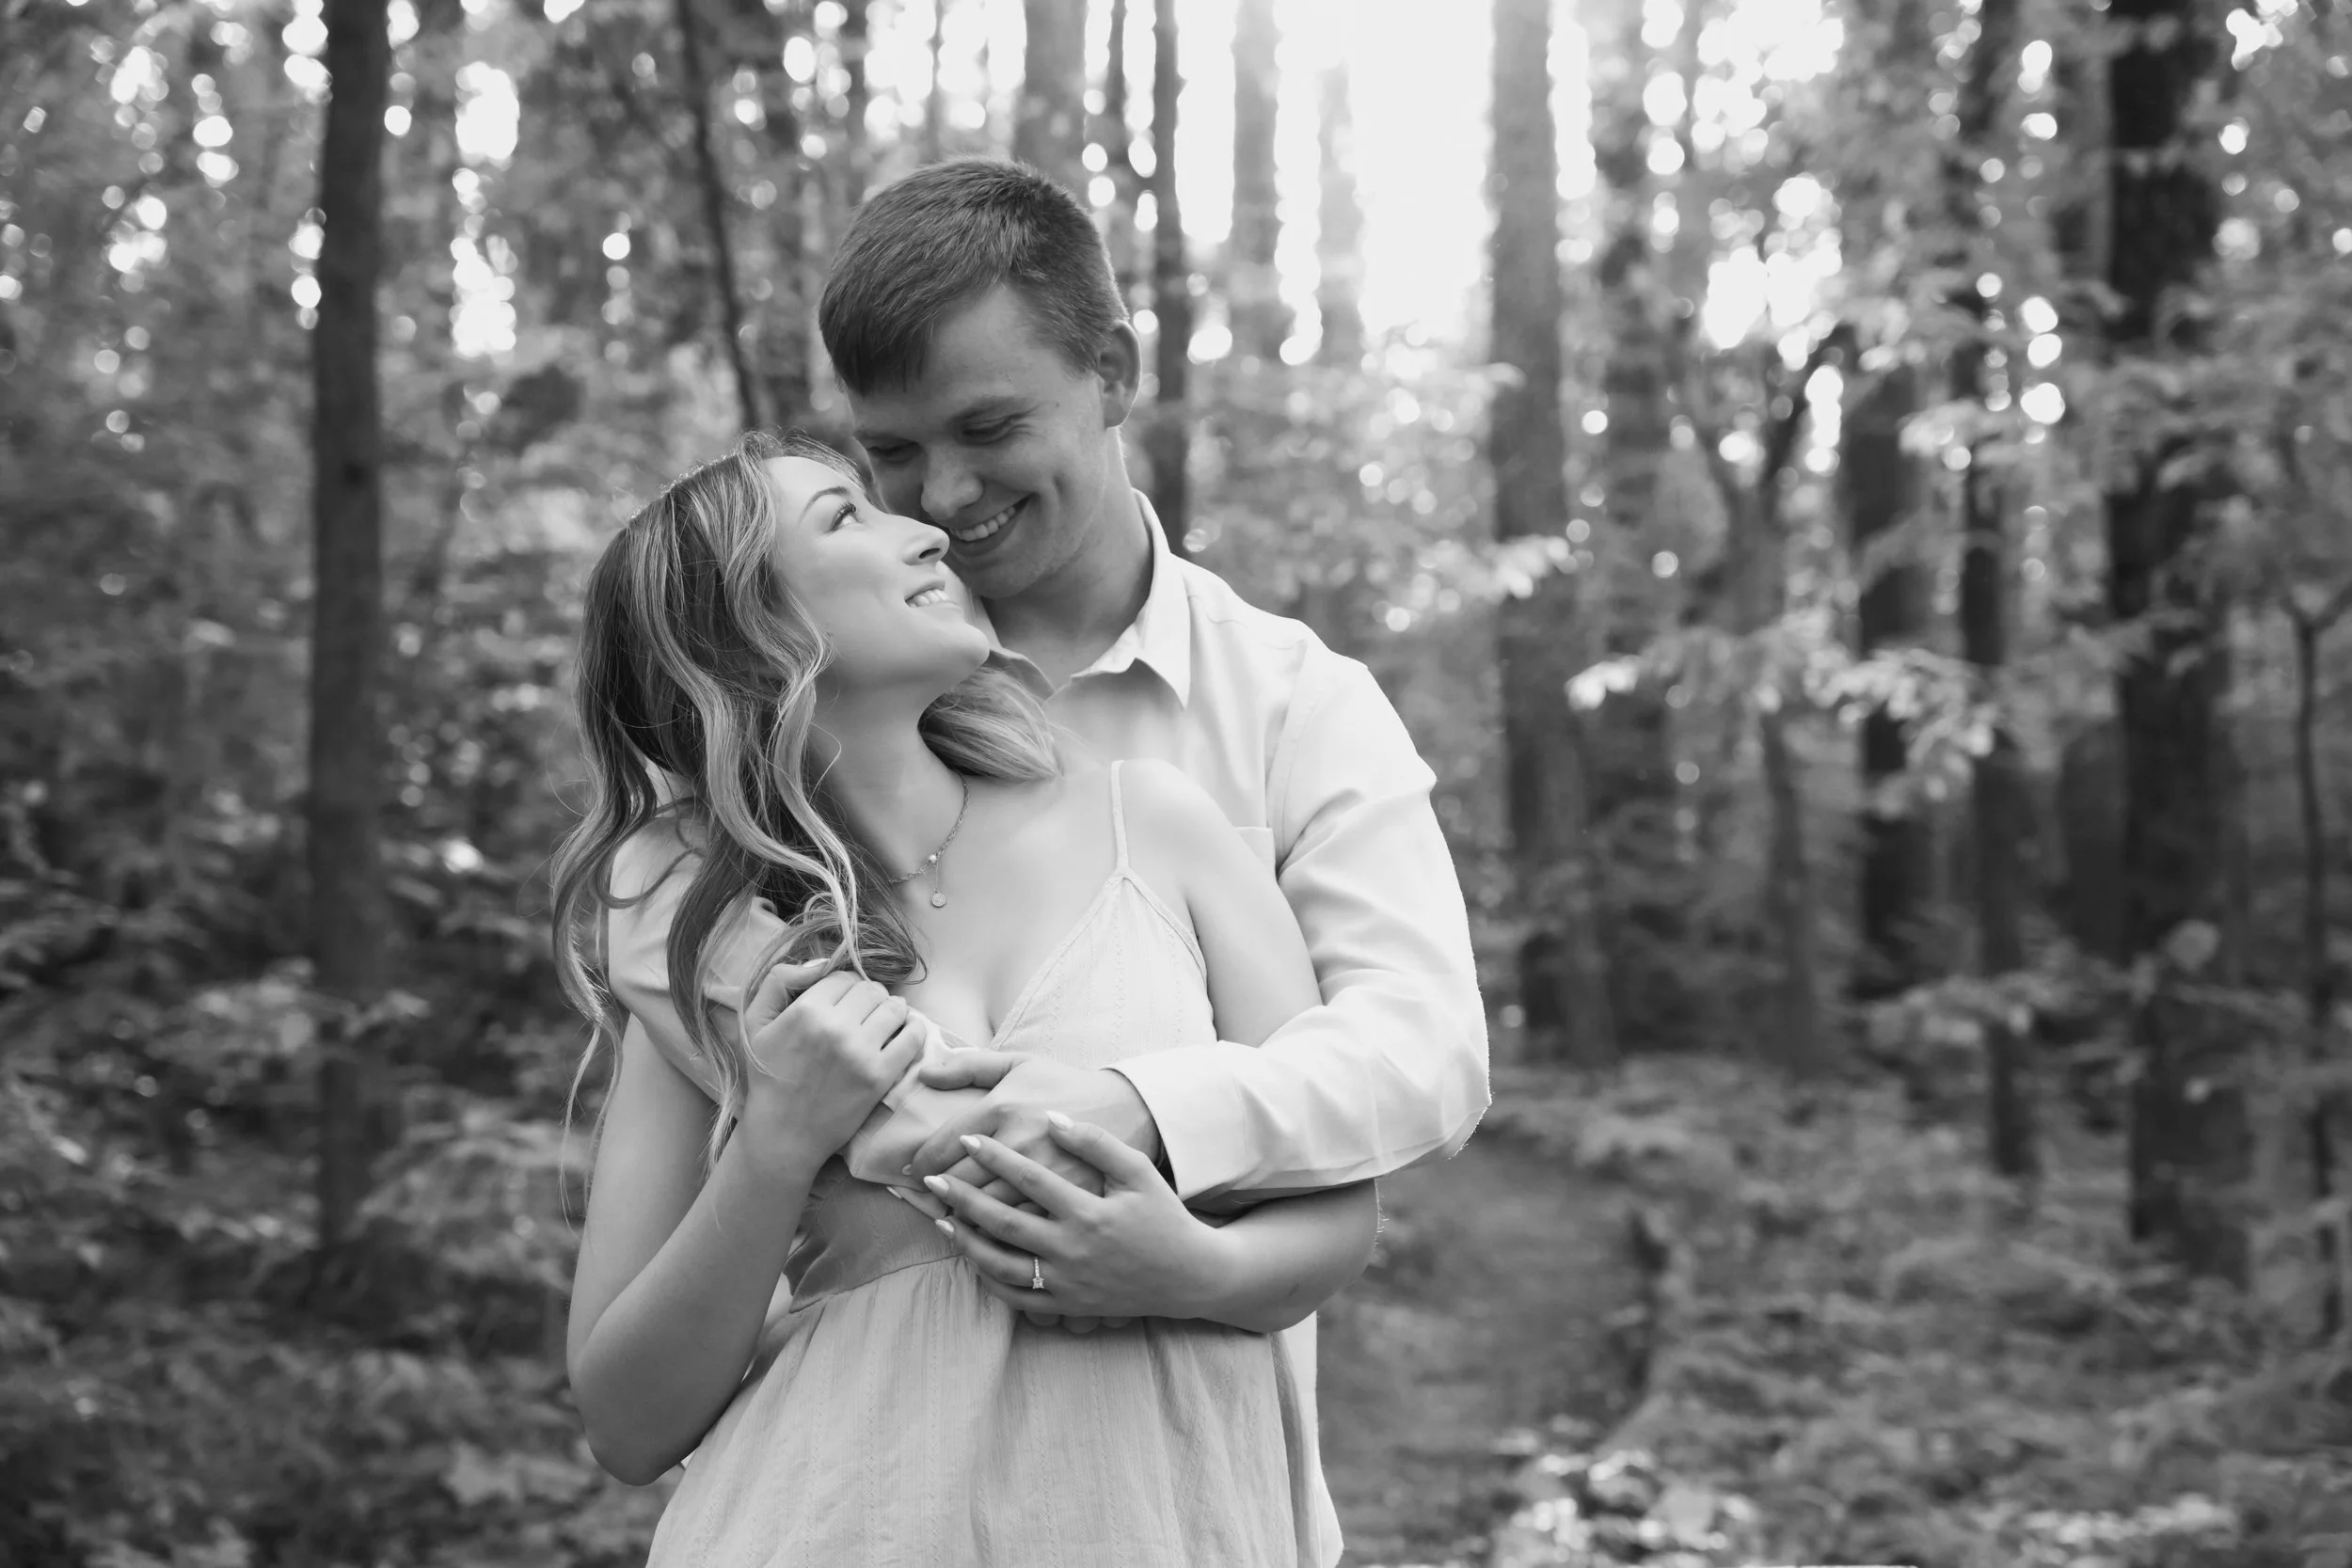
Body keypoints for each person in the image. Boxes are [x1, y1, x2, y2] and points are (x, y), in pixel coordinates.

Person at [553, 434, 1379, 1565]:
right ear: (750, 631)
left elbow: (1339, 1206)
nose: (929, 527)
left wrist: (1189, 1268)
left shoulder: (1158, 828)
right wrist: (777, 1142)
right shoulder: (707, 953)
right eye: (846, 517)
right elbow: (627, 1419)